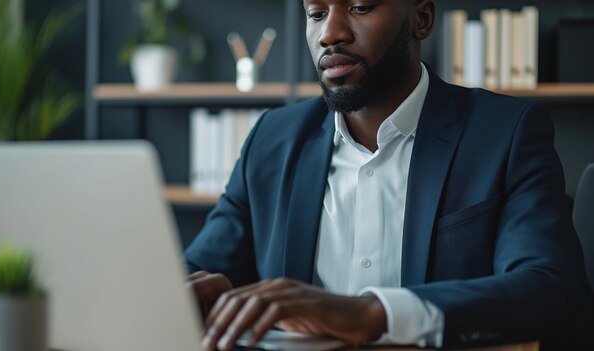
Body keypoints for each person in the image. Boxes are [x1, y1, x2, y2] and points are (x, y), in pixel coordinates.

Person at [185, 0, 594, 350]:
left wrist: (371, 312)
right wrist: (193, 293)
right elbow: (200, 269)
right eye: (316, 13)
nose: (331, 33)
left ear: (422, 19)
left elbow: (551, 289)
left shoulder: (505, 133)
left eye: (360, 7)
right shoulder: (271, 140)